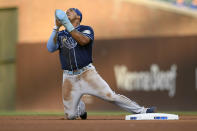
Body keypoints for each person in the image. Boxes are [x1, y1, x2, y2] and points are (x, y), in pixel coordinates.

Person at [47, 8, 156, 120]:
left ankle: (143, 110)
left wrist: (67, 25)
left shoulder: (86, 29)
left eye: (71, 11)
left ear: (78, 17)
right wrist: (56, 27)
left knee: (110, 96)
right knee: (70, 116)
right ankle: (81, 108)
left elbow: (83, 41)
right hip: (68, 77)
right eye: (67, 12)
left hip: (86, 74)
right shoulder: (61, 34)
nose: (68, 12)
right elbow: (50, 48)